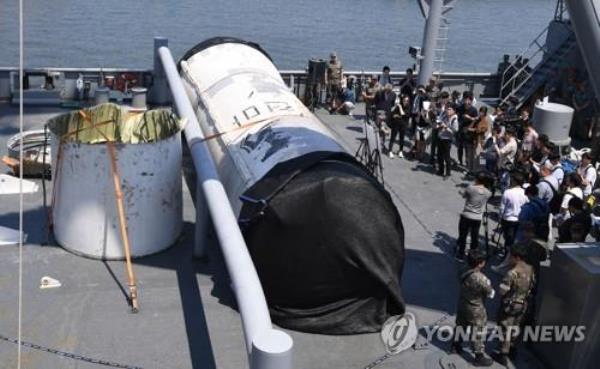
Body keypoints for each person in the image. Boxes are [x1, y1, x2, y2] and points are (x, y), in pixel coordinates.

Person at [451, 249, 495, 367]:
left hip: (463, 303)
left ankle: (455, 346)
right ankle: (479, 357)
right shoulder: (481, 279)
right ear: (481, 263)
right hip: (476, 309)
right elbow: (491, 294)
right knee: (478, 332)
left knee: (460, 324)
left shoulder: (463, 269)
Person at [493, 243, 534, 366]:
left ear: (517, 258)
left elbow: (502, 290)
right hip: (523, 304)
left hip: (510, 305)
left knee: (505, 327)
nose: (509, 258)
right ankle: (512, 348)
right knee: (516, 326)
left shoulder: (512, 273)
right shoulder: (530, 268)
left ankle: (503, 354)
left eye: (511, 256)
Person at [494, 172, 528, 272]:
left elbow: (502, 208)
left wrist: (500, 218)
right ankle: (511, 257)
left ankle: (507, 259)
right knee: (515, 240)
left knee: (508, 240)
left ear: (514, 181)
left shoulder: (508, 192)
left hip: (508, 219)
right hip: (519, 219)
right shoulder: (525, 193)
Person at [455, 172, 492, 261]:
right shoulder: (488, 193)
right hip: (477, 217)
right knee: (474, 237)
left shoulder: (471, 188)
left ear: (477, 179)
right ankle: (473, 255)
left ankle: (460, 254)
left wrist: (460, 191)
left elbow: (464, 195)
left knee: (463, 235)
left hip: (467, 215)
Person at [465, 107, 490, 174]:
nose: (480, 113)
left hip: (480, 141)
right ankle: (470, 170)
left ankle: (477, 172)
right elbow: (469, 127)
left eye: (482, 112)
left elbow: (482, 130)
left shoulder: (485, 120)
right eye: (480, 111)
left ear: (485, 113)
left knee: (479, 157)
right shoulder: (477, 119)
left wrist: (473, 129)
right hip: (472, 139)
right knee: (470, 156)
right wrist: (474, 120)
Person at [437, 103, 459, 178]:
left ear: (454, 111)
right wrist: (439, 125)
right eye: (447, 109)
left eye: (450, 109)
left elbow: (455, 131)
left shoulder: (454, 119)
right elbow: (439, 122)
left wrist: (446, 127)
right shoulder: (445, 116)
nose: (448, 111)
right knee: (439, 155)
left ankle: (448, 172)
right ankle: (441, 170)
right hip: (441, 137)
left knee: (446, 156)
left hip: (447, 139)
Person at [457, 93, 479, 167]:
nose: (466, 101)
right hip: (460, 130)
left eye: (468, 99)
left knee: (467, 148)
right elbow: (457, 117)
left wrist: (470, 118)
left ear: (471, 101)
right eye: (465, 99)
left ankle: (467, 163)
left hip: (468, 132)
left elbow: (476, 120)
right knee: (459, 146)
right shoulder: (460, 107)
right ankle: (460, 161)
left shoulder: (474, 110)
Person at [431, 91, 450, 166]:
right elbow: (433, 115)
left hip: (444, 127)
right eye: (442, 98)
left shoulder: (449, 106)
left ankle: (441, 160)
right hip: (436, 126)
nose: (444, 100)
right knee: (434, 143)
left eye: (445, 98)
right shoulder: (437, 105)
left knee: (442, 145)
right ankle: (432, 158)